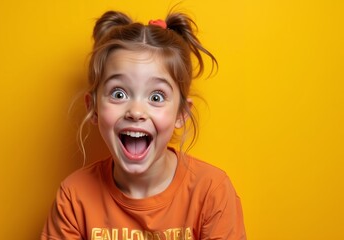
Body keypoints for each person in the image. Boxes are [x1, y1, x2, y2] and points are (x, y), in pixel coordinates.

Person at [41, 10, 246, 240]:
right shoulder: (73, 198)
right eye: (119, 94)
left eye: (156, 97)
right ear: (94, 108)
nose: (136, 112)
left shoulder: (211, 192)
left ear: (181, 113)